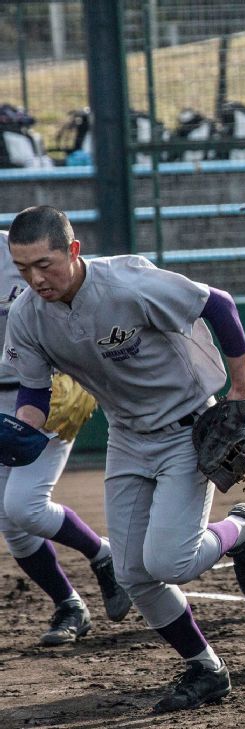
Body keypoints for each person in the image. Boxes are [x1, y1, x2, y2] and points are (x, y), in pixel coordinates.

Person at [3, 205, 245, 712]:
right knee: (132, 573)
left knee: (170, 561)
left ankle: (240, 528)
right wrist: (22, 430)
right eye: (22, 269)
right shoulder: (29, 315)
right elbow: (35, 393)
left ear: (73, 251)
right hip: (126, 437)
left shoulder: (127, 282)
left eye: (44, 264)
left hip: (189, 428)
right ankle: (205, 667)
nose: (35, 279)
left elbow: (220, 305)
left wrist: (239, 391)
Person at [0, 230, 131, 645]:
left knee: (27, 507)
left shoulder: (22, 254)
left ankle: (102, 553)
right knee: (13, 523)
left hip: (41, 393)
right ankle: (69, 603)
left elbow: (84, 296)